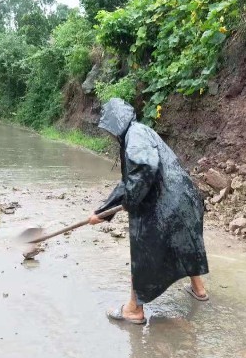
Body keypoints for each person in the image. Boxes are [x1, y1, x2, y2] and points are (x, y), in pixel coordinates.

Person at [89, 98, 209, 324]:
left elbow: (144, 168)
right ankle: (199, 290)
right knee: (186, 243)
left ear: (115, 123)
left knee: (142, 250)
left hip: (168, 204)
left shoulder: (134, 137)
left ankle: (133, 309)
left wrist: (130, 202)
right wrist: (103, 212)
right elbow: (128, 182)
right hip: (186, 199)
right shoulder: (142, 131)